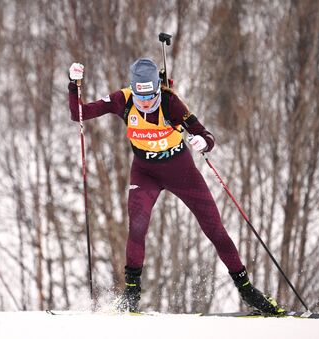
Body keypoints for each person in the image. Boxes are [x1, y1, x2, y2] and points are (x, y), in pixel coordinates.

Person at [67, 58, 284, 314]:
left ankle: (248, 291)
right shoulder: (122, 100)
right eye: (141, 96)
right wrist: (74, 84)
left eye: (151, 96)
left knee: (214, 229)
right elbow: (79, 113)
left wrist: (204, 143)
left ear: (157, 90)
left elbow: (205, 134)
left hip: (181, 171)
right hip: (145, 172)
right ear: (133, 89)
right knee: (137, 227)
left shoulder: (170, 103)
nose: (146, 102)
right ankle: (131, 295)